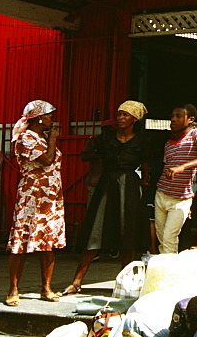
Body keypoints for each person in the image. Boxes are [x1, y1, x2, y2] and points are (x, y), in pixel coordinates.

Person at [63, 101, 150, 295]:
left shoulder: (142, 141)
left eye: (125, 115)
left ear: (135, 119)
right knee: (95, 229)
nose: (120, 118)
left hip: (129, 186)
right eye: (119, 114)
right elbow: (89, 156)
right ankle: (76, 282)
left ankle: (124, 284)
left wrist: (144, 182)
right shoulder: (106, 139)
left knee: (128, 234)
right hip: (107, 185)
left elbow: (145, 165)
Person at [6, 100, 65, 306]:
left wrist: (50, 139)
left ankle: (46, 287)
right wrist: (53, 141)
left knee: (48, 241)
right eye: (49, 116)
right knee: (21, 241)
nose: (52, 120)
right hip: (32, 195)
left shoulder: (41, 136)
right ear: (39, 118)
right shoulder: (25, 139)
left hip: (50, 197)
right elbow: (47, 160)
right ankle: (13, 289)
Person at [154, 104, 197, 253]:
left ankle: (169, 272)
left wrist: (182, 167)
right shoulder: (169, 144)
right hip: (161, 194)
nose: (173, 120)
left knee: (169, 237)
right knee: (162, 237)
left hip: (180, 199)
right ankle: (164, 268)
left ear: (190, 119)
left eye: (178, 116)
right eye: (172, 116)